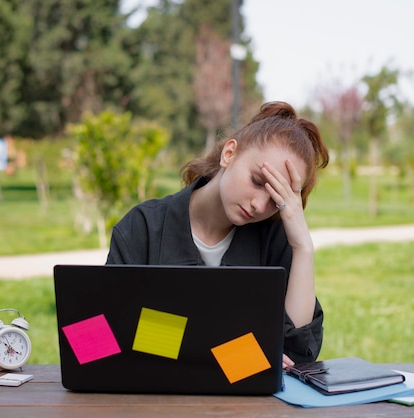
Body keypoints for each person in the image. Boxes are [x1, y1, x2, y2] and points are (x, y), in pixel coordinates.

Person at [106, 101, 330, 366]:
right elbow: (107, 337)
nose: (259, 205)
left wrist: (303, 247)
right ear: (229, 153)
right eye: (257, 181)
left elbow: (297, 355)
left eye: (276, 199)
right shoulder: (142, 228)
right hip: (156, 400)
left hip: (250, 405)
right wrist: (231, 351)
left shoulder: (274, 237)